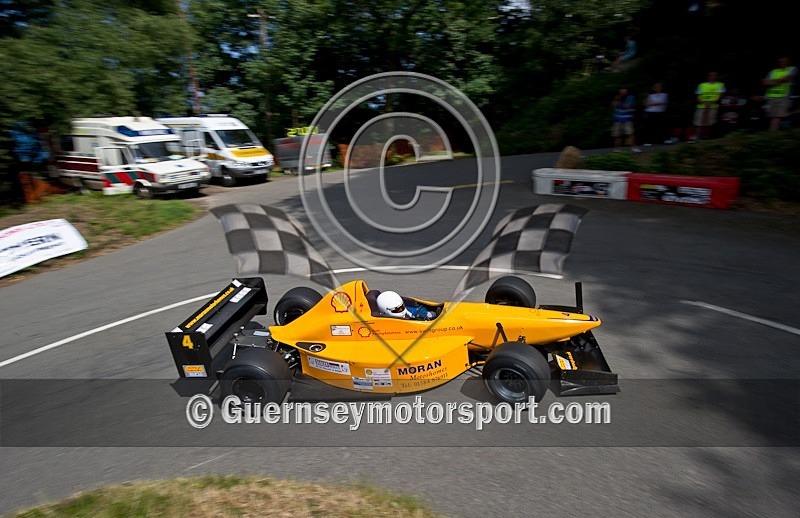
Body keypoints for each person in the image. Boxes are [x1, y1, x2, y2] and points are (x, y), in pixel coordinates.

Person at [761, 55, 798, 131]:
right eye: (780, 61)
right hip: (770, 96)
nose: (782, 62)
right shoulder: (773, 71)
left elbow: (786, 79)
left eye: (784, 60)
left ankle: (772, 135)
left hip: (783, 96)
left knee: (776, 117)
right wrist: (778, 81)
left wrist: (772, 82)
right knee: (772, 117)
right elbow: (764, 82)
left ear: (788, 61)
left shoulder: (792, 69)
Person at [691, 71, 726, 142]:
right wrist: (704, 103)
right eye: (711, 75)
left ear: (717, 76)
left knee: (709, 122)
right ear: (708, 76)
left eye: (715, 75)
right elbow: (698, 97)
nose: (713, 77)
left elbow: (721, 96)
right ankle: (697, 137)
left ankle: (706, 138)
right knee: (699, 122)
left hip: (713, 106)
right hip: (701, 106)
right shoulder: (701, 85)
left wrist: (710, 103)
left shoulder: (720, 85)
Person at [611, 88, 641, 153]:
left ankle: (634, 148)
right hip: (618, 119)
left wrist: (620, 101)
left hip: (628, 119)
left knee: (630, 133)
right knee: (617, 135)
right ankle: (617, 149)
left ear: (627, 92)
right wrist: (616, 99)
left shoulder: (631, 98)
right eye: (621, 91)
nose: (622, 92)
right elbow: (613, 105)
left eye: (623, 91)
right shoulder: (617, 98)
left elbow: (627, 106)